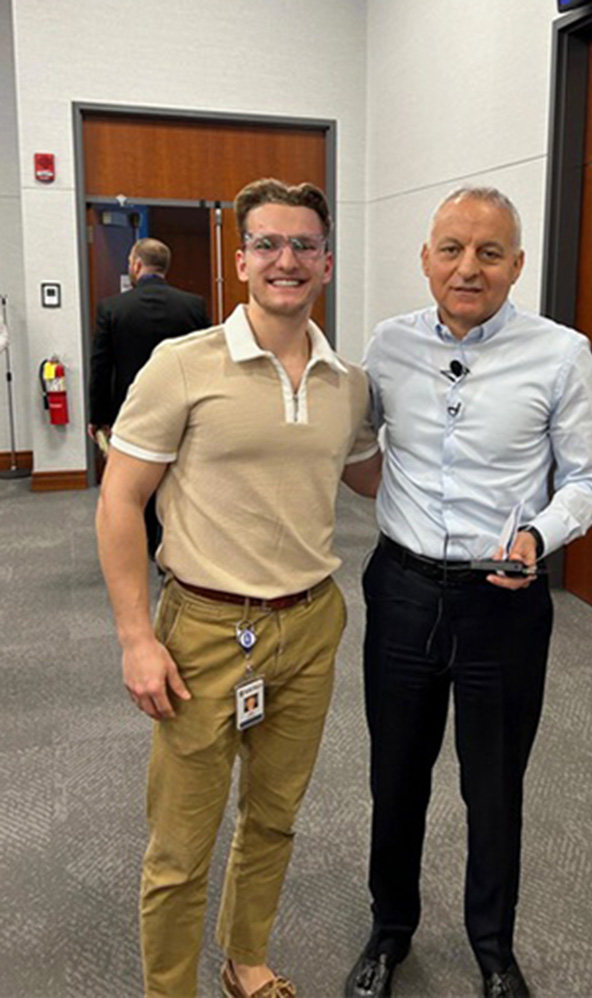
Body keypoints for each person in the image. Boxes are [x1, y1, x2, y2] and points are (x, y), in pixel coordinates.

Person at [96, 179, 380, 998]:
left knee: (275, 816)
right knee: (181, 843)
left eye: (302, 246)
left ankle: (245, 957)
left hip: (311, 622)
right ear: (240, 257)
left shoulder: (345, 382)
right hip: (204, 631)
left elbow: (370, 476)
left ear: (326, 261)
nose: (285, 260)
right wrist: (134, 638)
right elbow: (120, 500)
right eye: (267, 244)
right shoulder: (183, 366)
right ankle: (170, 988)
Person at [345, 186, 592, 998]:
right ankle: (390, 932)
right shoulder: (386, 347)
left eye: (489, 252)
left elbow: (589, 481)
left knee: (493, 785)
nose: (469, 267)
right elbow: (360, 452)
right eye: (452, 249)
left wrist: (537, 535)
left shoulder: (562, 353)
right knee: (396, 776)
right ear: (425, 259)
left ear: (516, 265)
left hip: (504, 600)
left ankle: (494, 950)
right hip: (403, 591)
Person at [89, 237, 210, 558]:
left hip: (132, 413)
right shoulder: (193, 305)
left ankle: (142, 545)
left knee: (135, 485)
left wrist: (98, 417)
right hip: (185, 411)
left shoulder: (112, 308)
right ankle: (174, 543)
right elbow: (208, 361)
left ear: (137, 265)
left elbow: (101, 366)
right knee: (181, 478)